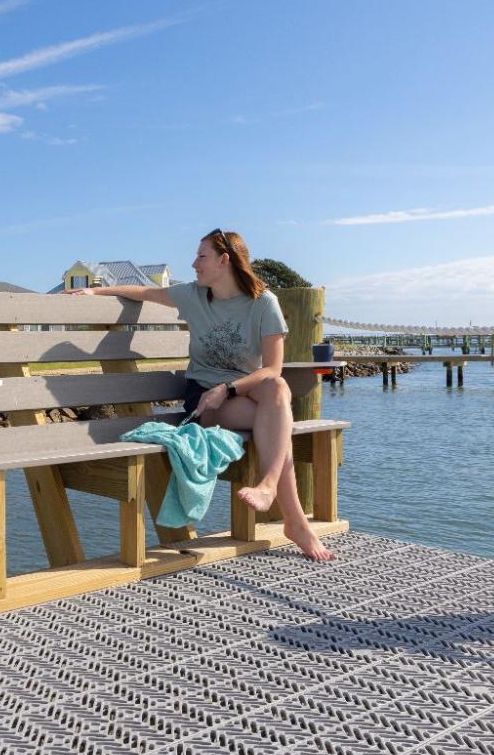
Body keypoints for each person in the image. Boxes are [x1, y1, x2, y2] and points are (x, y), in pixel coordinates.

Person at [67, 230, 334, 562]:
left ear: (225, 260)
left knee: (278, 391)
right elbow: (145, 291)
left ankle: (273, 494)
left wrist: (230, 388)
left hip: (243, 391)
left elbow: (273, 369)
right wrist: (95, 290)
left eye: (201, 256)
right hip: (205, 400)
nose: (193, 264)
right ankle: (295, 521)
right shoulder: (193, 295)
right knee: (280, 423)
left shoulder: (264, 303)